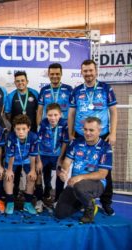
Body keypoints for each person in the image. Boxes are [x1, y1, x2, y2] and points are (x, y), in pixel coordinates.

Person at [68, 59, 117, 216]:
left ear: (96, 71)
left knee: (105, 171)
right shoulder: (76, 91)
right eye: (85, 71)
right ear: (81, 72)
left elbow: (114, 112)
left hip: (101, 134)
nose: (88, 73)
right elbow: (71, 113)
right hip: (80, 133)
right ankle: (82, 199)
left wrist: (113, 132)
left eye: (90, 70)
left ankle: (106, 203)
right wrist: (70, 133)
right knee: (80, 164)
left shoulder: (106, 88)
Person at [55, 117, 112, 223]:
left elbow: (102, 174)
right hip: (74, 183)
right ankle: (82, 201)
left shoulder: (105, 147)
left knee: (80, 186)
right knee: (60, 214)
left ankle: (90, 209)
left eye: (91, 130)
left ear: (99, 131)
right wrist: (64, 172)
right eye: (85, 129)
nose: (87, 133)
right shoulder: (75, 143)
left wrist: (80, 177)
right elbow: (67, 161)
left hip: (96, 183)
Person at [35, 103, 69, 213]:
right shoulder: (43, 123)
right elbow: (37, 143)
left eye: (55, 115)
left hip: (57, 155)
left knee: (60, 174)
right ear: (46, 115)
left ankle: (57, 200)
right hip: (43, 155)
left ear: (60, 115)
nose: (52, 118)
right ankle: (39, 200)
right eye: (50, 115)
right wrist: (38, 160)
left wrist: (60, 158)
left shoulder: (64, 124)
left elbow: (65, 142)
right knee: (39, 173)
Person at [4, 115, 38, 215]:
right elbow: (11, 155)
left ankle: (27, 203)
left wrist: (32, 170)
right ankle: (10, 202)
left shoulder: (33, 137)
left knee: (32, 177)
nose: (21, 132)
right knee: (8, 177)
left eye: (24, 129)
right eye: (18, 129)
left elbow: (33, 155)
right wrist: (9, 170)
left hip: (27, 159)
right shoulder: (11, 137)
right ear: (14, 129)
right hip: (12, 160)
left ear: (29, 128)